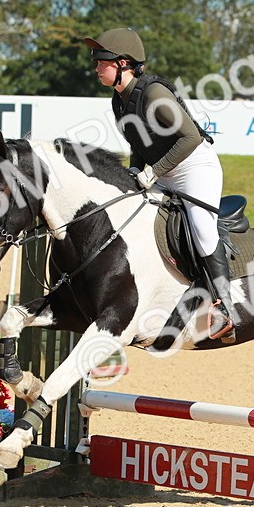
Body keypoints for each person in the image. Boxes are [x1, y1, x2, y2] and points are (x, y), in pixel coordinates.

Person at [82, 27, 235, 342]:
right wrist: (134, 170)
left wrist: (153, 172)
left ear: (123, 63)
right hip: (163, 170)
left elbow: (190, 137)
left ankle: (224, 307)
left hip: (194, 167)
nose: (96, 67)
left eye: (102, 61)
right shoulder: (119, 100)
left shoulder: (153, 94)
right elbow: (139, 142)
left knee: (202, 229)